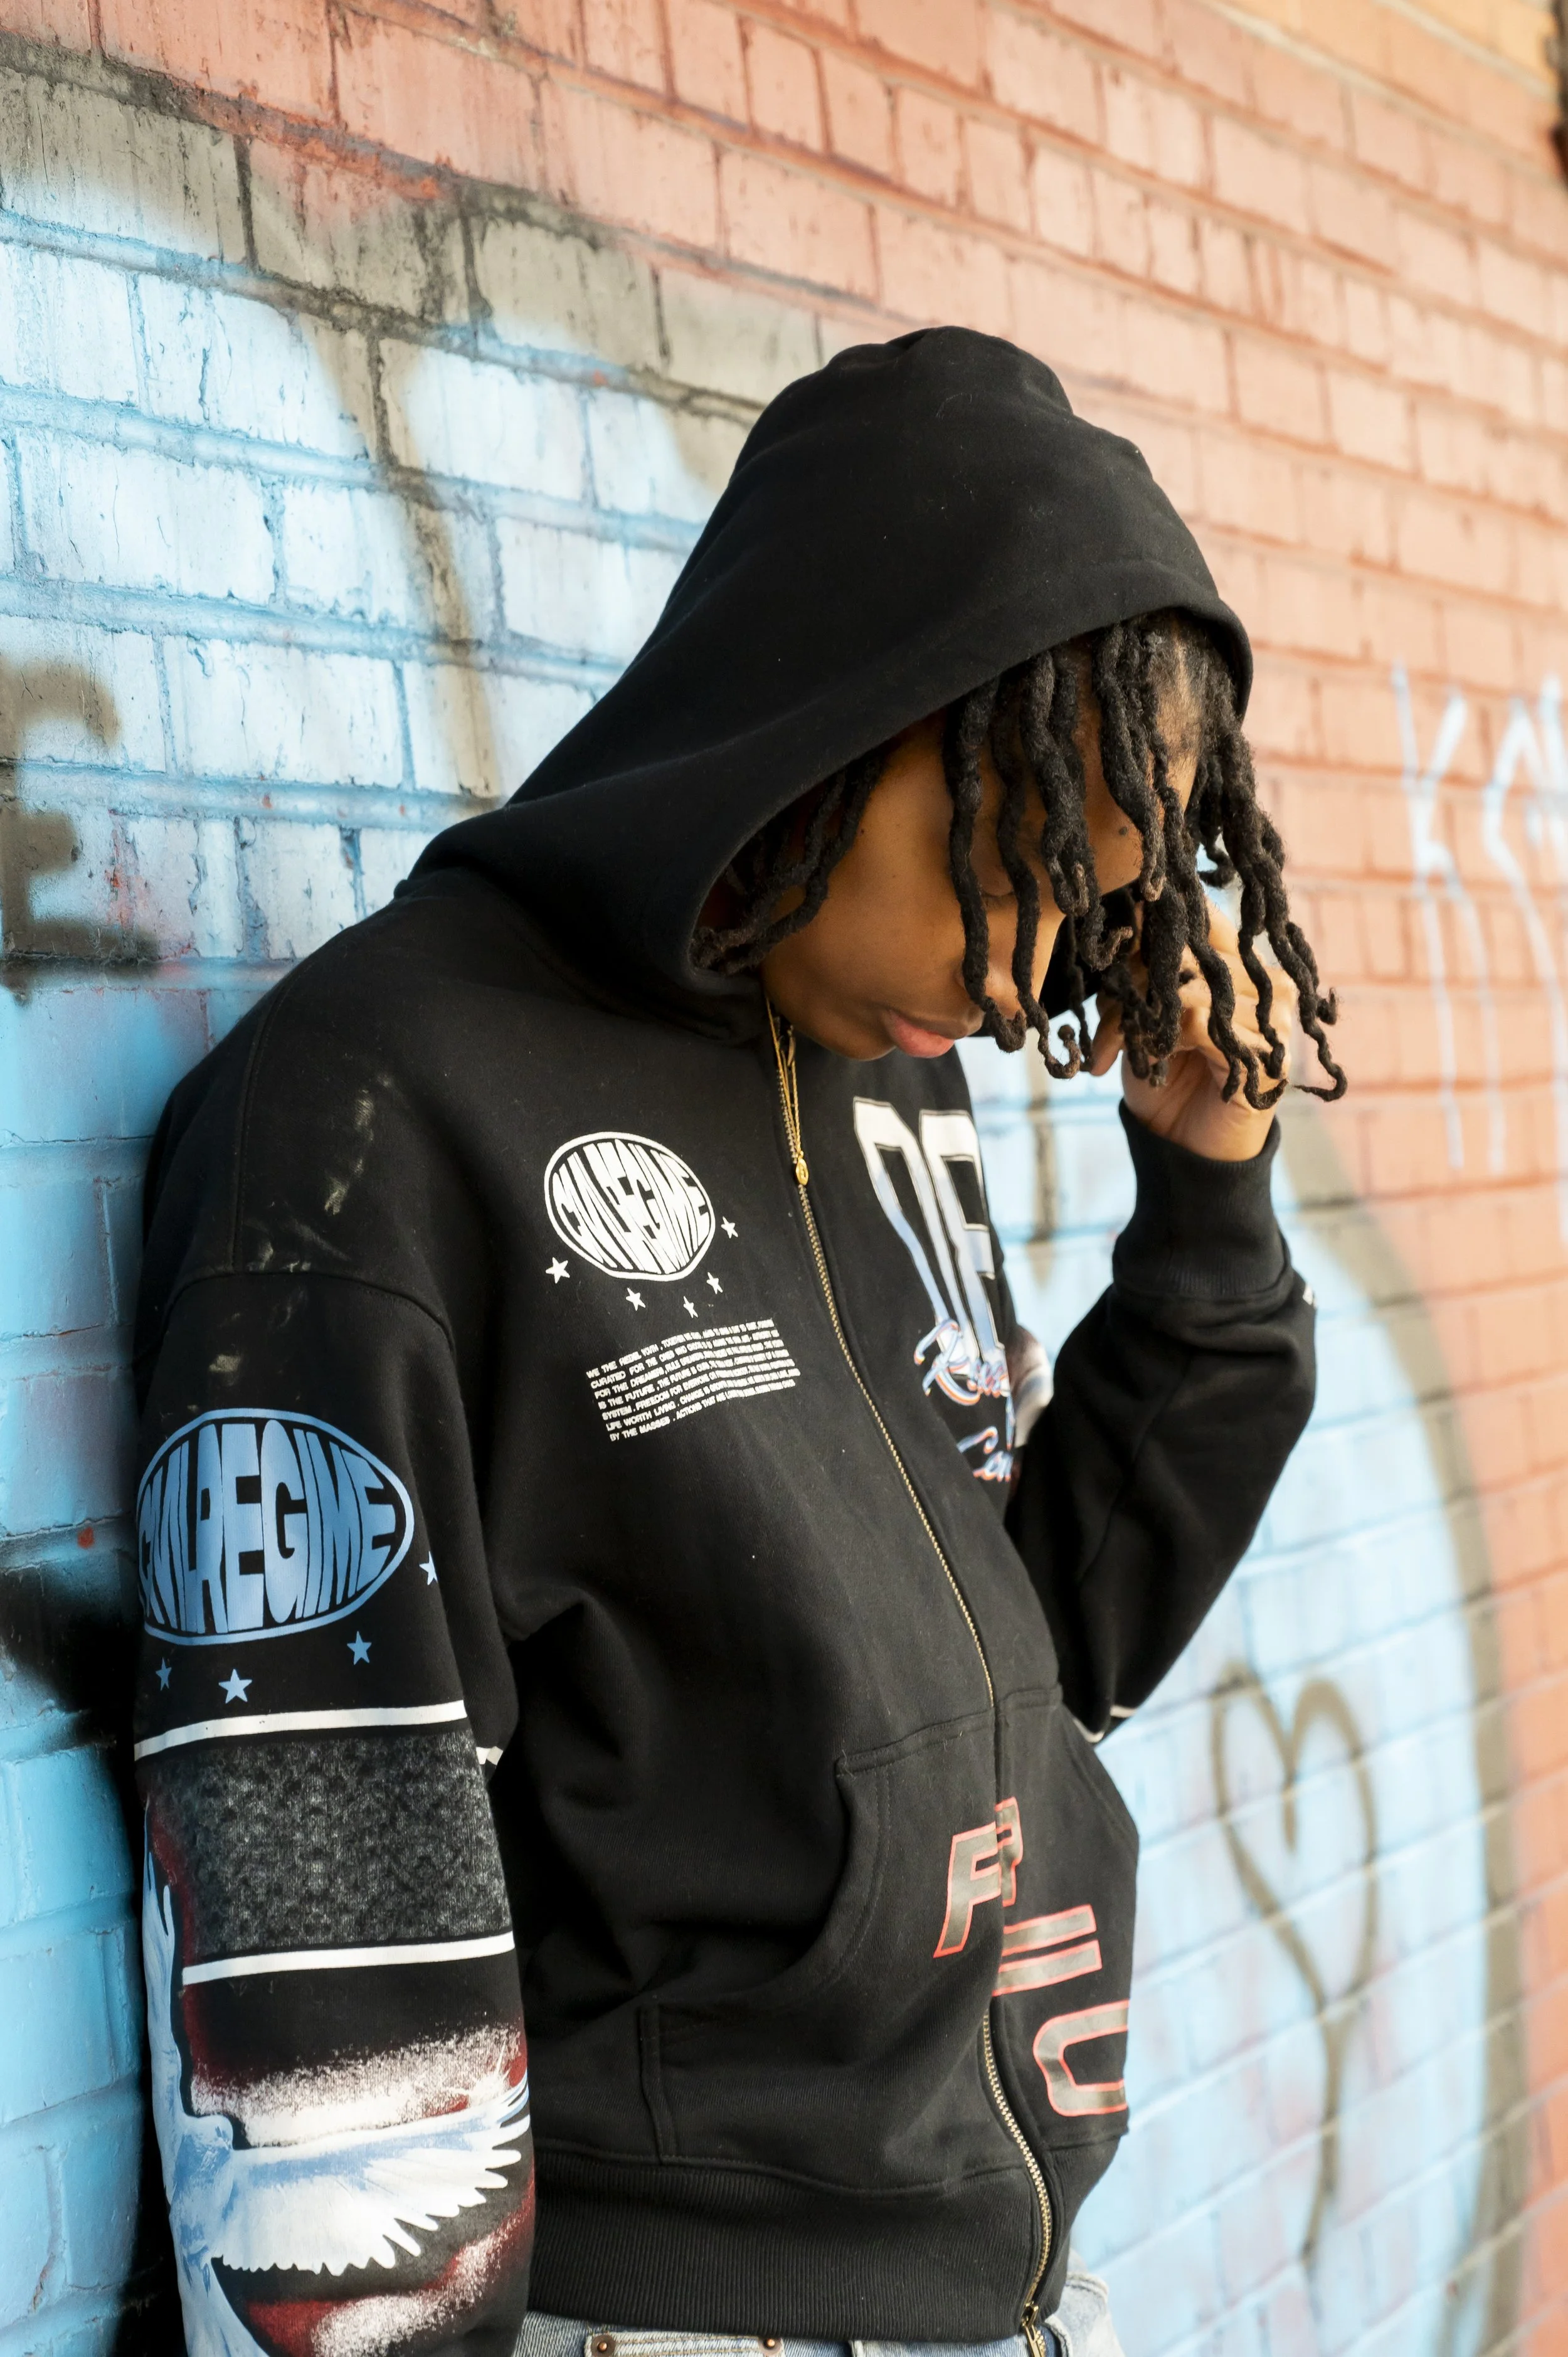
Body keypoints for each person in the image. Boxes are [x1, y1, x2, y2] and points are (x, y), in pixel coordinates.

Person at [130, 327, 1339, 2357]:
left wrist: (1207, 1209)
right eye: (1005, 861)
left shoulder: (879, 1072)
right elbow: (321, 1929)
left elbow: (1047, 1649)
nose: (1025, 969)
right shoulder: (375, 1114)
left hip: (977, 2286)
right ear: (824, 711)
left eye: (1085, 904)